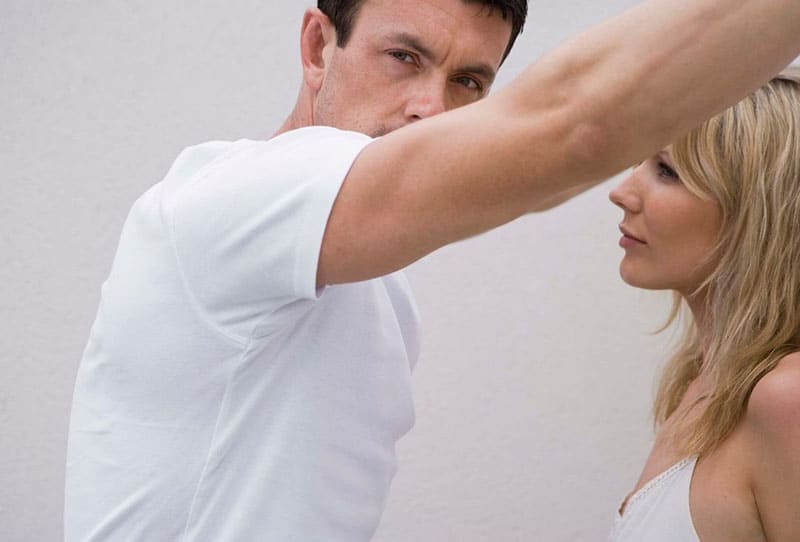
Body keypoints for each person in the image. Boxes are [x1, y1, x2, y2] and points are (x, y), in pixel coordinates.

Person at [64, 0, 800, 539]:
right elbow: (579, 125)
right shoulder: (243, 194)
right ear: (320, 46)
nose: (431, 109)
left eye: (470, 84)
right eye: (404, 58)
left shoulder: (362, 274)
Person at [608, 68, 800, 541]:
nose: (622, 192)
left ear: (757, 213)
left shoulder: (786, 399)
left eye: (667, 171)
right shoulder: (698, 381)